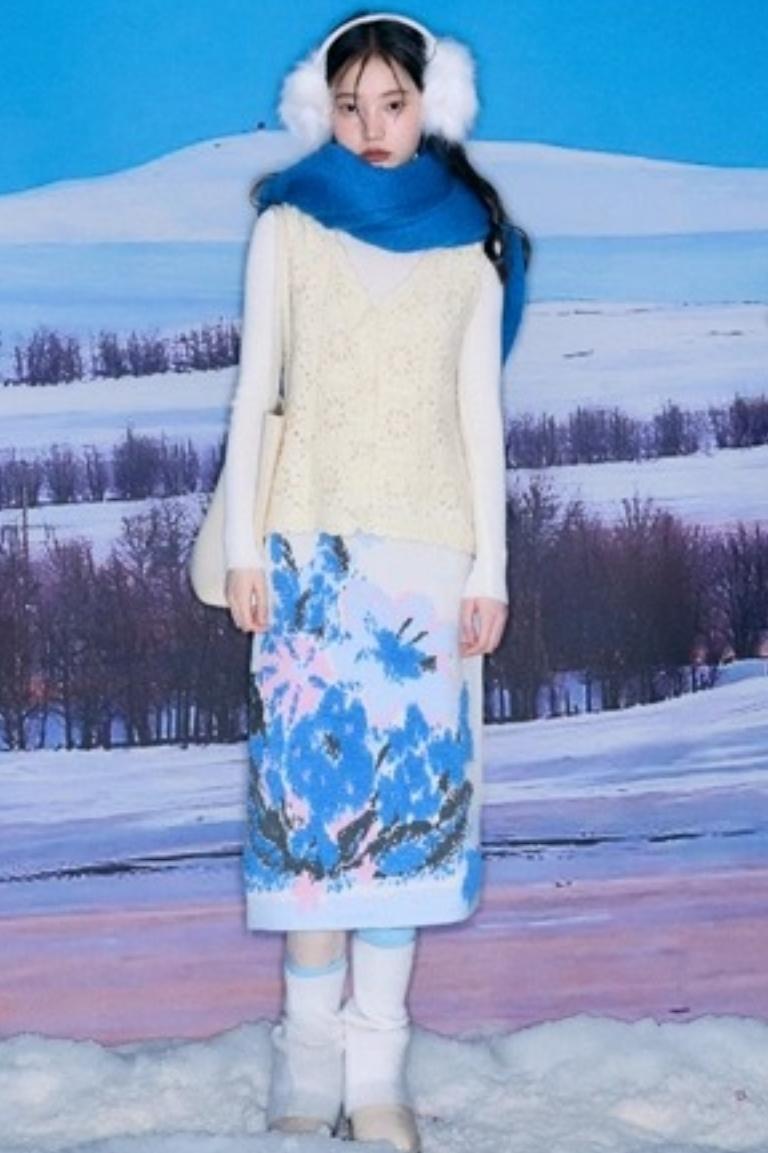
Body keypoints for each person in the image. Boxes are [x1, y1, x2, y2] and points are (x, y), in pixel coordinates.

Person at [221, 10, 529, 1151]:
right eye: (349, 105)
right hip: (307, 562)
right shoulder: (287, 225)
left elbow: (480, 415)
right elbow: (255, 388)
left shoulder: (471, 248)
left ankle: (379, 1077)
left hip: (426, 566)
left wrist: (491, 567)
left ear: (431, 104)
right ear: (324, 108)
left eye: (392, 102)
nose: (370, 126)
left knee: (403, 829)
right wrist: (245, 548)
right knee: (311, 829)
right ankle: (307, 1072)